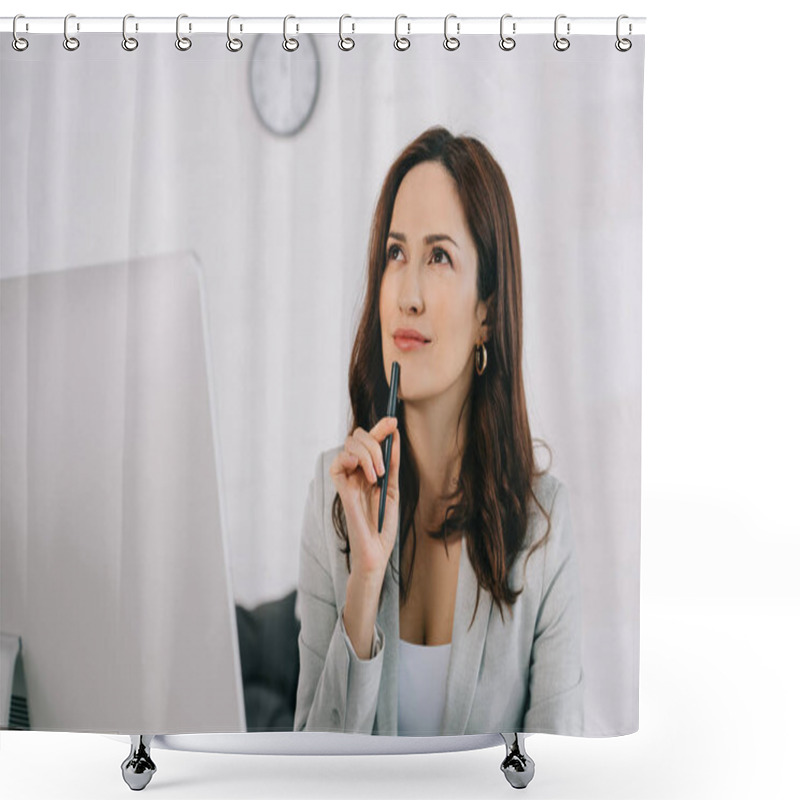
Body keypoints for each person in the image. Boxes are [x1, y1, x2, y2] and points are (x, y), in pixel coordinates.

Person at [294, 126, 583, 737]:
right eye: (396, 253)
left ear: (486, 312)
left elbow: (562, 776)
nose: (410, 293)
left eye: (440, 256)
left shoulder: (545, 530)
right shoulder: (332, 500)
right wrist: (365, 583)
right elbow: (308, 768)